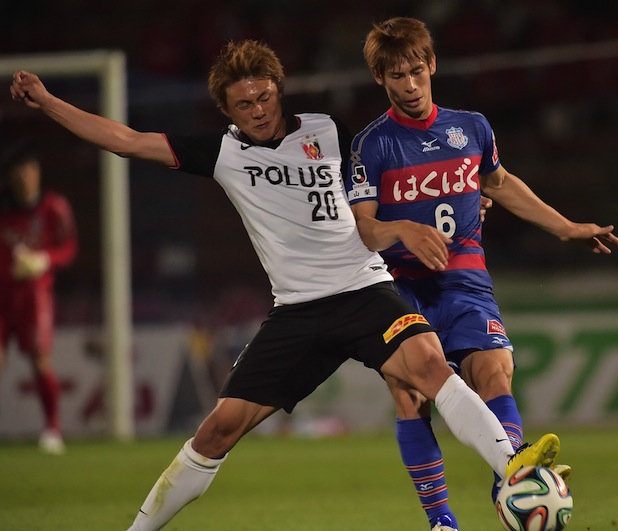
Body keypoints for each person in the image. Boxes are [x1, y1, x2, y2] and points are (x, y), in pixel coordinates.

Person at [10, 39, 559, 531]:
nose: (257, 111)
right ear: (226, 110)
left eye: (265, 97)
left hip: (364, 290)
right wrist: (52, 104)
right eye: (244, 104)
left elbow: (381, 193)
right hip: (297, 312)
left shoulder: (329, 132)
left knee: (430, 367)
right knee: (218, 430)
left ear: (279, 91)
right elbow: (126, 140)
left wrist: (465, 203)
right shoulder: (222, 153)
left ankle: (514, 467)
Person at [345, 17, 618, 529]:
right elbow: (363, 229)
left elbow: (499, 182)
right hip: (398, 287)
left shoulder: (470, 127)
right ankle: (442, 521)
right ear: (379, 79)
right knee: (410, 395)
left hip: (464, 278)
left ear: (432, 65)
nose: (409, 85)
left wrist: (565, 228)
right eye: (395, 76)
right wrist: (402, 228)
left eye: (415, 71)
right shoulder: (371, 146)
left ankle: (510, 481)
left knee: (494, 371)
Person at [0, 140, 78, 455]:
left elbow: (69, 247)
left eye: (30, 169)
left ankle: (53, 428)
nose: (25, 176)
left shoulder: (53, 207)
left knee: (40, 362)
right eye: (18, 171)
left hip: (35, 297)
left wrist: (45, 259)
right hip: (2, 297)